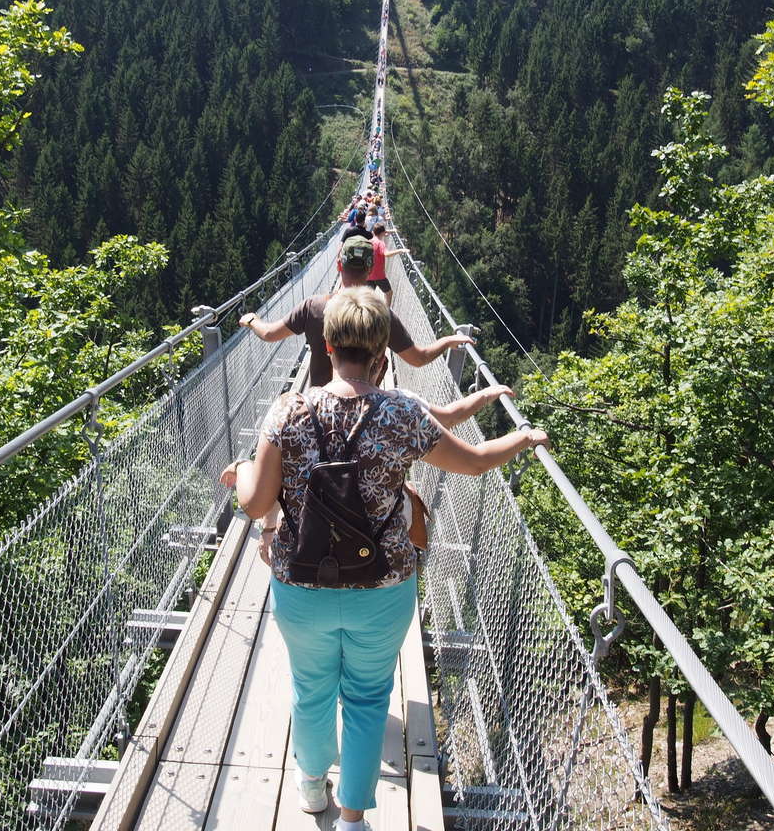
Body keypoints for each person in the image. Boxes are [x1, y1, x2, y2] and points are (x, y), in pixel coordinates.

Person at [226, 288, 547, 829]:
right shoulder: (402, 413)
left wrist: (242, 474)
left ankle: (310, 785)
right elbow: (471, 464)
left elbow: (257, 503)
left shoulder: (287, 411)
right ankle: (354, 818)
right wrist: (521, 438)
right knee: (369, 697)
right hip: (383, 585)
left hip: (301, 585)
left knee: (311, 688)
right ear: (382, 355)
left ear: (325, 345)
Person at [238, 237, 472, 387]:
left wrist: (252, 320)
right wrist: (446, 341)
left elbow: (269, 334)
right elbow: (418, 358)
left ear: (339, 265)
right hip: (363, 413)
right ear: (370, 269)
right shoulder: (381, 315)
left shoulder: (313, 307)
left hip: (319, 410)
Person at [365, 222, 407, 304]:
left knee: (368, 296)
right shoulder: (380, 243)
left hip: (368, 274)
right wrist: (400, 250)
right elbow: (387, 254)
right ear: (383, 233)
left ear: (373, 232)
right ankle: (387, 310)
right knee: (389, 292)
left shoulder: (368, 242)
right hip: (379, 276)